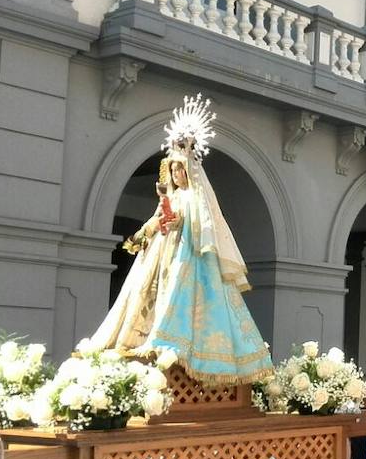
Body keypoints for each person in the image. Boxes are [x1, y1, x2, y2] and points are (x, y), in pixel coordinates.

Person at [86, 96, 273, 384]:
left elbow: (204, 225)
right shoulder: (171, 196)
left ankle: (181, 346)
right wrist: (141, 235)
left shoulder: (197, 197)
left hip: (190, 256)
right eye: (172, 169)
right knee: (146, 293)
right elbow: (156, 219)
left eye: (180, 169)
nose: (176, 173)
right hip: (163, 254)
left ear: (189, 170)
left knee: (183, 299)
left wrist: (179, 222)